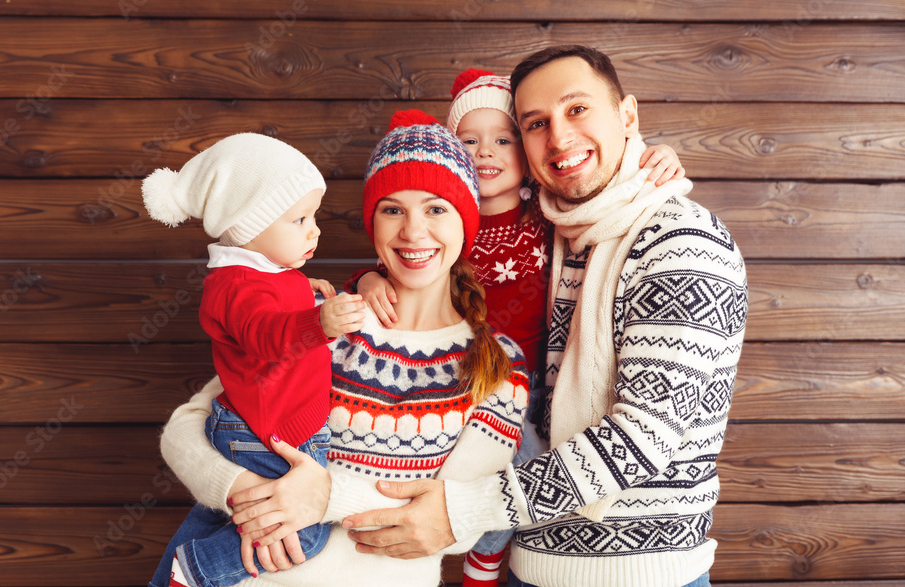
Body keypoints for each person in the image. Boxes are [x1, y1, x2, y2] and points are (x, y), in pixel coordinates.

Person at [310, 45, 749, 587]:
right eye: (536, 124)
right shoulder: (561, 226)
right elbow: (430, 256)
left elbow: (648, 436)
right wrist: (339, 290)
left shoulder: (682, 243)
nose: (559, 139)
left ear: (628, 116)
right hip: (532, 559)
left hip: (637, 573)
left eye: (578, 109)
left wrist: (460, 510)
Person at [155, 110, 531, 586]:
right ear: (371, 222)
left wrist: (321, 496)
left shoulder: (500, 367)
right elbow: (187, 428)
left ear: (465, 220)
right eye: (393, 209)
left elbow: (455, 524)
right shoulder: (319, 316)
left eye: (437, 208)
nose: (414, 232)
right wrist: (243, 490)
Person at [141, 133, 367, 587]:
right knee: (304, 532)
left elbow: (274, 301)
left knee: (221, 518)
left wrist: (307, 293)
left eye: (314, 216)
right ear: (248, 225)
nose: (314, 230)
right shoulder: (237, 286)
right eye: (298, 219)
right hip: (266, 433)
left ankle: (170, 573)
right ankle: (198, 571)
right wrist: (318, 322)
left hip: (256, 423)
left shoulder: (264, 272)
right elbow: (265, 334)